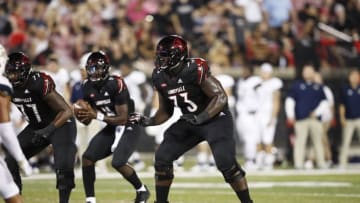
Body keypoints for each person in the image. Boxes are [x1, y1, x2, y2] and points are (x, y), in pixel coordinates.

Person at [130, 35, 253, 203]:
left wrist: (202, 117)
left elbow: (221, 97)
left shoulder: (194, 68)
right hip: (191, 120)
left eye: (165, 55)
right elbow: (166, 111)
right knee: (162, 158)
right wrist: (149, 120)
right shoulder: (160, 76)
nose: (161, 59)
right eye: (160, 55)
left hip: (215, 118)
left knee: (226, 163)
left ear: (178, 55)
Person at [74, 51, 150, 203]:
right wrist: (82, 114)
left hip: (129, 123)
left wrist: (96, 116)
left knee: (118, 162)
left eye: (96, 69)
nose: (93, 73)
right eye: (90, 69)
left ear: (105, 69)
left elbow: (122, 118)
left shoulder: (116, 83)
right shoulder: (87, 86)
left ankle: (142, 190)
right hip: (111, 125)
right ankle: (90, 199)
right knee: (87, 158)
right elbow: (89, 119)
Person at [4, 52, 77, 203]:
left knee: (63, 166)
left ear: (25, 71)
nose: (12, 77)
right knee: (11, 159)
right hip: (36, 126)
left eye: (15, 73)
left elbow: (67, 111)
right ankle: (16, 199)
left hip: (60, 124)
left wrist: (48, 131)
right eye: (9, 73)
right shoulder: (7, 85)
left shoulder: (38, 81)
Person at [0, 45, 32, 203]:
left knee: (11, 193)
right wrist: (21, 159)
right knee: (12, 196)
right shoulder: (2, 84)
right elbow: (4, 129)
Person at [285, 64, 327, 169]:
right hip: (301, 119)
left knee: (318, 141)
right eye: (305, 71)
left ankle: (321, 163)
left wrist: (317, 112)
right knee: (300, 142)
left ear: (314, 73)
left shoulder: (319, 87)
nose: (307, 73)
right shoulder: (297, 86)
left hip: (315, 119)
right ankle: (298, 163)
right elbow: (290, 100)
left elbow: (325, 102)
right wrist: (290, 115)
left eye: (309, 71)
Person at [254, 63, 283, 170]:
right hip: (258, 114)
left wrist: (273, 117)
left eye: (266, 72)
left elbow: (276, 102)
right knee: (257, 140)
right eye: (262, 71)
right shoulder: (257, 83)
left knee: (268, 140)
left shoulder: (274, 83)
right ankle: (259, 162)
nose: (263, 73)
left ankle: (268, 163)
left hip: (268, 114)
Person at [235, 66, 262, 170]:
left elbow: (262, 94)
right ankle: (249, 158)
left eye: (246, 70)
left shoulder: (255, 81)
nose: (244, 72)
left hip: (251, 114)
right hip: (241, 114)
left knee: (250, 138)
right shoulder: (241, 81)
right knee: (243, 138)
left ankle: (252, 160)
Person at [338, 68, 360, 169]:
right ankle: (342, 163)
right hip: (349, 119)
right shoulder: (344, 89)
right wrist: (342, 118)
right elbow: (342, 105)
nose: (354, 78)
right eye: (352, 75)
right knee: (345, 142)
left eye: (356, 75)